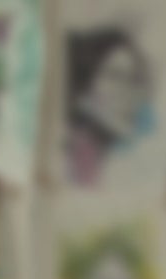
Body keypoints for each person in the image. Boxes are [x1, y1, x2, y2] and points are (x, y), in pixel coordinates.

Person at [65, 26, 151, 184]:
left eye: (133, 79)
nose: (126, 90)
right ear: (88, 80)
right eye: (115, 76)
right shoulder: (74, 149)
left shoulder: (110, 154)